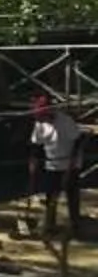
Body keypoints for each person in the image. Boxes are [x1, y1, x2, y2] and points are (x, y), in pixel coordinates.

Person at [31, 92, 85, 242]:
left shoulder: (65, 121)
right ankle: (50, 224)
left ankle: (75, 225)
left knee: (71, 193)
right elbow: (37, 145)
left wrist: (71, 166)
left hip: (70, 162)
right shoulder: (40, 124)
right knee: (50, 194)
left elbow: (78, 141)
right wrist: (34, 162)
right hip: (52, 162)